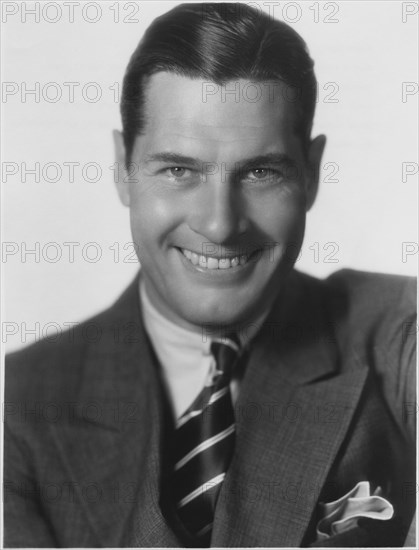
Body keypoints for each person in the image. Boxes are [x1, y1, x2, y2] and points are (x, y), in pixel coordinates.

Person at [4, 2, 416, 547]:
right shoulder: (18, 404)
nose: (220, 225)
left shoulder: (390, 328)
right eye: (179, 170)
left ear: (312, 174)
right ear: (122, 167)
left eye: (261, 172)